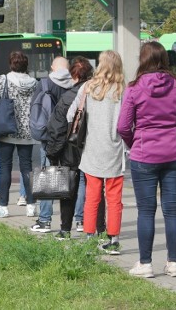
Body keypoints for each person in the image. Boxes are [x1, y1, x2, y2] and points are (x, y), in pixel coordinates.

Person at [117, 42, 176, 278]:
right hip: (175, 153)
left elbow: (123, 126)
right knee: (172, 210)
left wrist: (134, 142)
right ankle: (174, 263)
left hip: (144, 154)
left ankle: (146, 263)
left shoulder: (134, 88)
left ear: (143, 60)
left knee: (146, 211)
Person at [68, 50, 125, 254]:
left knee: (92, 195)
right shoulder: (122, 90)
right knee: (114, 198)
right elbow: (128, 123)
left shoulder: (87, 87)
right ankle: (114, 239)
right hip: (114, 149)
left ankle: (90, 236)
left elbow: (70, 115)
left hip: (91, 149)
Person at [44, 56, 96, 239]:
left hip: (70, 149)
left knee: (69, 189)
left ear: (73, 76)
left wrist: (52, 153)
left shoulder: (66, 98)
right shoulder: (97, 94)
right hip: (92, 148)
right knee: (93, 188)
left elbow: (56, 129)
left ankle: (65, 229)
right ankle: (93, 226)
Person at [0, 51, 38, 218]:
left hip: (7, 128)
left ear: (11, 64)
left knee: (5, 167)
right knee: (27, 168)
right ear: (26, 65)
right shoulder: (34, 83)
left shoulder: (4, 80)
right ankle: (31, 205)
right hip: (27, 131)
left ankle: (3, 206)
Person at [30, 56, 73, 233]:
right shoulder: (76, 84)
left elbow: (35, 107)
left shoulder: (45, 83)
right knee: (74, 178)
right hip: (71, 137)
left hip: (49, 137)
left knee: (48, 175)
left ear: (53, 68)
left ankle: (45, 220)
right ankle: (79, 220)